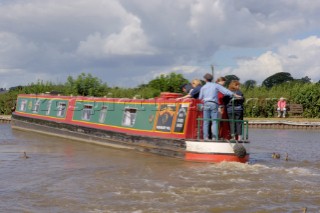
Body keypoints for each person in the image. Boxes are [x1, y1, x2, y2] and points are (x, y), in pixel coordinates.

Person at [199, 73, 241, 141]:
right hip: (214, 104)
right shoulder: (215, 86)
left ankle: (205, 137)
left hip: (206, 104)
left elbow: (200, 97)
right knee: (214, 121)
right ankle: (214, 137)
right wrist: (234, 95)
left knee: (206, 121)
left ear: (205, 79)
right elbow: (226, 91)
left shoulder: (203, 87)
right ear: (212, 79)